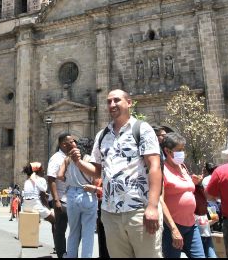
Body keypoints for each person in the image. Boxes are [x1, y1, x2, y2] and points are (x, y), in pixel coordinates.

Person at [69, 89, 163, 258]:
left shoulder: (142, 129)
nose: (112, 104)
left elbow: (155, 166)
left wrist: (152, 206)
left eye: (117, 100)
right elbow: (98, 170)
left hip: (138, 210)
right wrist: (79, 163)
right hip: (110, 213)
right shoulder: (102, 135)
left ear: (129, 102)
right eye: (109, 101)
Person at [160, 133, 205, 258]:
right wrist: (174, 229)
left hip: (191, 224)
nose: (182, 153)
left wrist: (194, 182)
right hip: (172, 227)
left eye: (183, 149)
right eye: (179, 150)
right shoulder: (162, 170)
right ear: (167, 151)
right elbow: (160, 201)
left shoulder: (183, 167)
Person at [57, 136, 98, 259]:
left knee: (73, 231)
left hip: (71, 195)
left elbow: (59, 175)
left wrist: (68, 180)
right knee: (88, 233)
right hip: (87, 194)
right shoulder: (90, 159)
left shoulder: (67, 159)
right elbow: (95, 179)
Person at [48, 133, 72, 259]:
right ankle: (61, 254)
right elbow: (51, 179)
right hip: (61, 199)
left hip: (69, 199)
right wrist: (56, 200)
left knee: (71, 229)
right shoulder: (56, 158)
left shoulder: (68, 157)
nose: (74, 144)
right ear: (63, 144)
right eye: (71, 142)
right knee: (60, 229)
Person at [197, 162, 219, 258]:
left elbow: (215, 218)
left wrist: (205, 224)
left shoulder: (208, 204)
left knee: (209, 251)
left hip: (205, 233)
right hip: (198, 235)